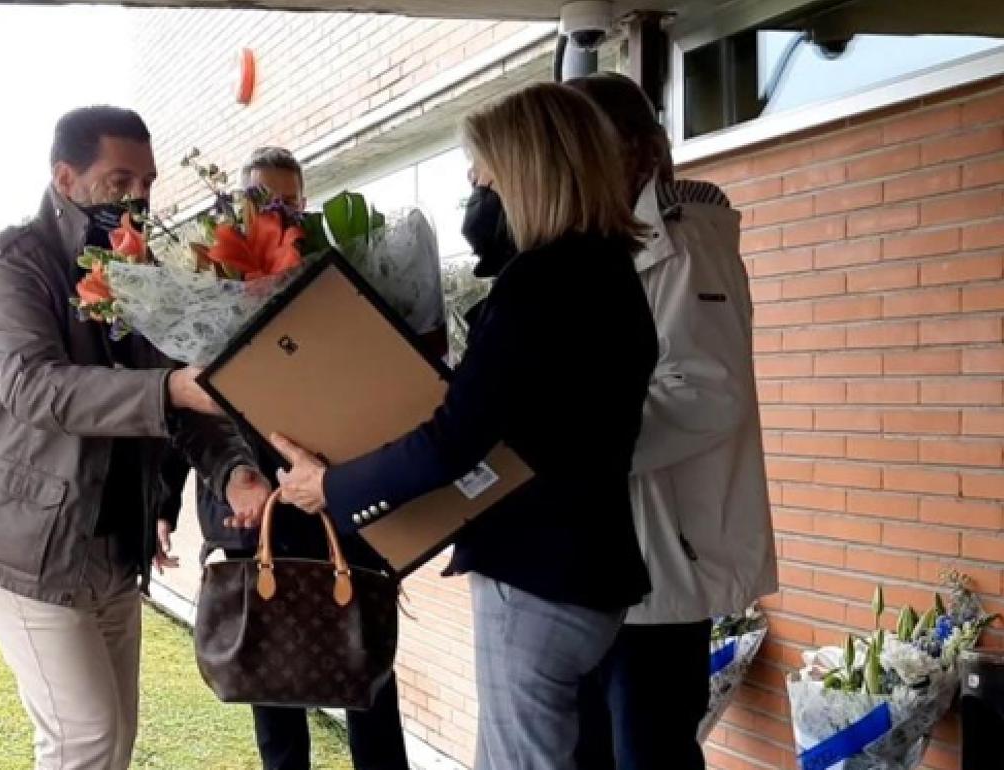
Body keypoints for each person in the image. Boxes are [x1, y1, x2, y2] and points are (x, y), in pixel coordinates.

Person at [272, 82, 658, 770]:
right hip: (593, 573)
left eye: (481, 179)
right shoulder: (610, 274)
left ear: (527, 174)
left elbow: (454, 438)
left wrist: (333, 486)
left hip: (538, 580)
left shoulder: (541, 284)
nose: (474, 198)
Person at [0, 105, 261, 770]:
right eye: (119, 181)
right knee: (83, 737)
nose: (138, 198)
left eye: (146, 183)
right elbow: (35, 388)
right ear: (65, 176)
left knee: (114, 737)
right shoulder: (14, 265)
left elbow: (182, 395)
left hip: (116, 540)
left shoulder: (140, 270)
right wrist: (170, 389)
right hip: (30, 543)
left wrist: (233, 468)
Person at [565, 73, 776, 770]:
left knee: (648, 753)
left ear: (637, 150)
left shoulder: (687, 244)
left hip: (660, 567)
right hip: (617, 561)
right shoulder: (615, 240)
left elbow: (703, 394)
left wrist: (569, 445)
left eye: (582, 146)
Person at [186, 145, 411, 770]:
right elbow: (192, 412)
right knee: (272, 685)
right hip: (255, 513)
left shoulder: (340, 276)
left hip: (340, 507)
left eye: (288, 198)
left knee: (369, 682)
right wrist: (168, 500)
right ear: (238, 201)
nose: (277, 210)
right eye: (263, 197)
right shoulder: (212, 286)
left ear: (305, 202)